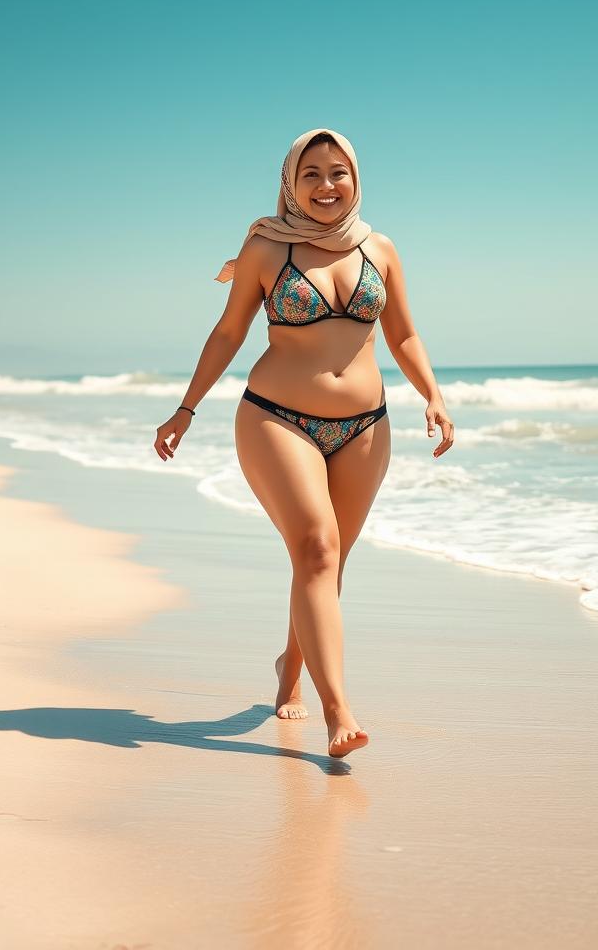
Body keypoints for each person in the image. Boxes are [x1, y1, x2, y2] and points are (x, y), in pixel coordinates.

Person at [153, 128, 454, 759]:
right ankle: (338, 712)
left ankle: (289, 670)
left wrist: (433, 394)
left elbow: (402, 335)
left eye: (337, 172)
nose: (325, 185)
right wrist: (186, 408)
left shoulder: (383, 248)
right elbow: (230, 330)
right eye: (311, 173)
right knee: (316, 547)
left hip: (365, 426)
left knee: (328, 563)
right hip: (275, 417)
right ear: (291, 181)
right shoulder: (266, 246)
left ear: (355, 177)